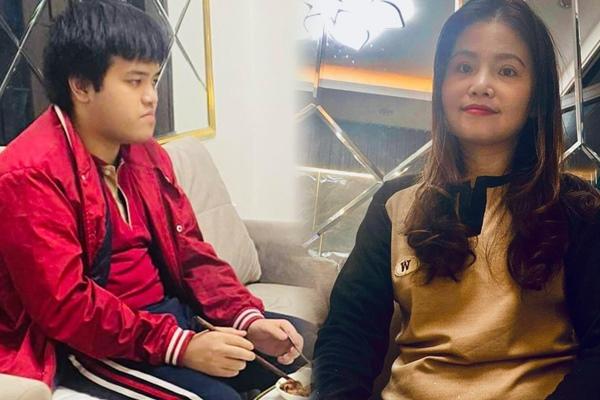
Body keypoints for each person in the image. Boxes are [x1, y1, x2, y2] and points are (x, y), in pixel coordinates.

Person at [0, 1, 307, 399]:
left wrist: (245, 317)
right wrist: (181, 347)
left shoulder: (146, 153)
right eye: (135, 81)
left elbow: (191, 252)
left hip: (170, 317)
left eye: (155, 80)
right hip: (90, 344)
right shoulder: (29, 173)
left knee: (307, 348)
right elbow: (66, 308)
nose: (151, 97)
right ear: (81, 86)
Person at [311, 0, 600, 399]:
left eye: (507, 70)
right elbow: (347, 335)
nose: (480, 84)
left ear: (537, 98)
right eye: (463, 67)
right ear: (442, 86)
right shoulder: (394, 203)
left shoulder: (577, 206)